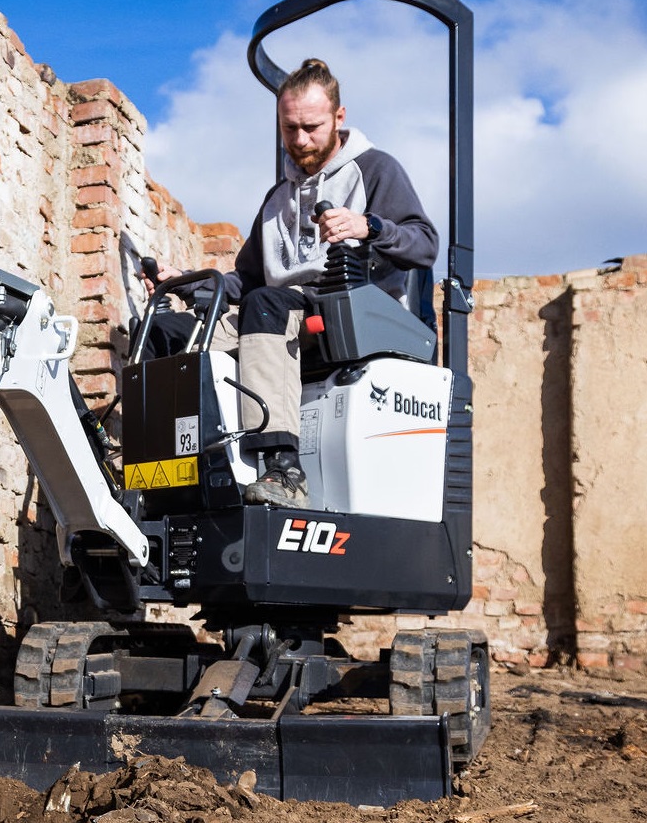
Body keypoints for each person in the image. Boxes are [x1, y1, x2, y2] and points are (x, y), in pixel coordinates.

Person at [145, 59, 438, 506]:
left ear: (339, 118)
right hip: (278, 308)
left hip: (351, 311)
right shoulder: (278, 196)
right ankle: (163, 480)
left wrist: (368, 226)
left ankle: (284, 470)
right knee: (167, 333)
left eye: (311, 127)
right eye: (289, 128)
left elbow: (425, 244)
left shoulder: (376, 170)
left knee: (266, 304)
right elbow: (245, 278)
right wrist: (186, 285)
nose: (300, 140)